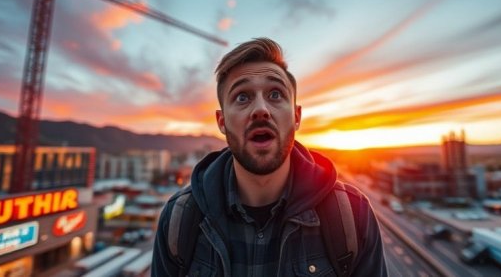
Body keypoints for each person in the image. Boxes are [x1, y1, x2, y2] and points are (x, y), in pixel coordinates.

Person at [152, 38, 387, 276]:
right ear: (222, 122)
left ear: (296, 117)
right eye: (242, 97)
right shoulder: (179, 219)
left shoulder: (352, 215)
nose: (261, 110)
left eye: (275, 94)